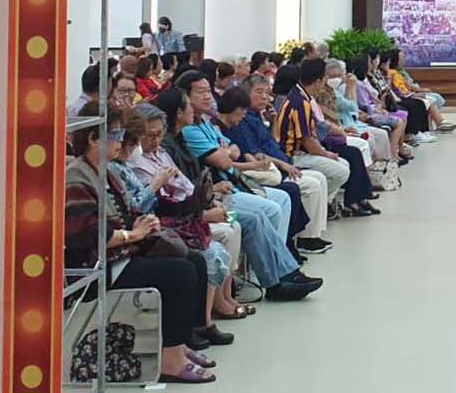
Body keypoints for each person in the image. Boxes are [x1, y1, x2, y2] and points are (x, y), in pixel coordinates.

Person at [63, 114, 216, 384]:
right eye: (115, 135)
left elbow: (126, 213)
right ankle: (170, 359)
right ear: (93, 139)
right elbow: (87, 236)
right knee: (180, 274)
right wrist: (133, 233)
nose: (120, 141)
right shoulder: (77, 177)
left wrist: (143, 223)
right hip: (96, 268)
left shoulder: (106, 172)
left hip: (119, 256)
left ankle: (177, 346)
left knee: (194, 261)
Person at [149, 88, 322, 301]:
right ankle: (273, 282)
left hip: (208, 200)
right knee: (252, 218)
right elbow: (211, 169)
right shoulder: (173, 143)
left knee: (261, 213)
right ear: (178, 112)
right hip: (197, 210)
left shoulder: (181, 138)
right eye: (197, 95)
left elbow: (232, 151)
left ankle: (284, 273)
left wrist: (218, 176)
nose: (202, 100)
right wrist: (212, 193)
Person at [112, 106, 250, 325]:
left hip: (192, 211)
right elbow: (148, 206)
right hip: (176, 220)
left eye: (160, 134)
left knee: (234, 225)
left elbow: (187, 187)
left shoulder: (162, 153)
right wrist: (200, 212)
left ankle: (225, 297)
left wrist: (208, 198)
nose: (156, 140)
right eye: (150, 136)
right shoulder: (133, 165)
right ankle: (208, 315)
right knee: (218, 244)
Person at [219, 78, 333, 254]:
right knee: (308, 186)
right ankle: (299, 241)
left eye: (267, 93)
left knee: (317, 179)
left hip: (278, 163)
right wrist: (282, 164)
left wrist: (273, 121)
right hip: (265, 170)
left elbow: (272, 142)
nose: (265, 97)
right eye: (259, 92)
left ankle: (309, 236)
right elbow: (253, 154)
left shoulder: (258, 117)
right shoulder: (243, 121)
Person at [273, 65, 362, 214]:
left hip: (301, 151)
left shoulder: (301, 97)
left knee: (344, 164)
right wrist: (326, 154)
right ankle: (319, 205)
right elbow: (307, 141)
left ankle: (322, 205)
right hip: (292, 155)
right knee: (341, 171)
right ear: (317, 81)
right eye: (324, 79)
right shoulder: (300, 102)